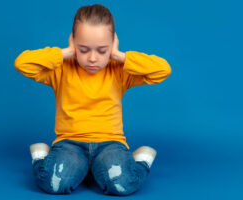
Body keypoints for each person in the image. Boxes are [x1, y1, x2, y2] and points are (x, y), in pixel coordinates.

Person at [14, 4, 171, 196]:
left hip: (109, 144)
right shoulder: (62, 68)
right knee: (54, 184)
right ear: (73, 41)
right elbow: (22, 64)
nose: (93, 58)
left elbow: (163, 70)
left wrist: (118, 56)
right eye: (84, 49)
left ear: (113, 43)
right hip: (70, 144)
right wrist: (65, 53)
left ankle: (141, 161)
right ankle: (41, 157)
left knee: (121, 185)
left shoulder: (118, 70)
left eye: (102, 50)